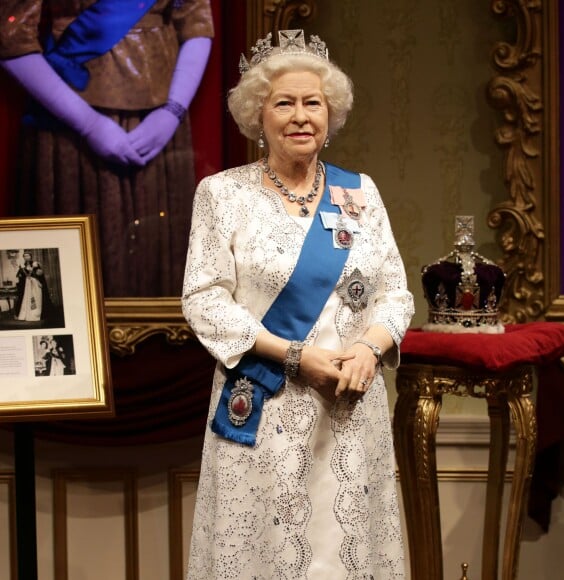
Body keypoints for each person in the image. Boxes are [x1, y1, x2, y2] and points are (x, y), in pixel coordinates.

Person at [181, 29, 415, 579]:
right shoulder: (223, 194)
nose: (300, 115)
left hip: (350, 404)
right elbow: (204, 299)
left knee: (345, 548)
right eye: (283, 103)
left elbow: (394, 292)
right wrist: (292, 355)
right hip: (268, 403)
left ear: (330, 113)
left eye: (313, 102)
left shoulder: (359, 193)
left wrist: (368, 348)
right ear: (256, 116)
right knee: (266, 552)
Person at [0, 1, 214, 297]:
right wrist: (88, 123)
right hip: (68, 124)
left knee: (159, 259)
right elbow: (11, 38)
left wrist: (171, 112)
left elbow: (196, 24)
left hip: (158, 124)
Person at [15, 251, 50, 322]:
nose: (26, 257)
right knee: (27, 298)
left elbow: (40, 274)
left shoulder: (35, 264)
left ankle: (35, 313)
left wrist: (34, 271)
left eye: (27, 256)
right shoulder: (22, 265)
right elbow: (19, 275)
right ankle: (27, 313)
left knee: (35, 297)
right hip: (26, 284)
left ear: (31, 256)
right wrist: (21, 273)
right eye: (25, 256)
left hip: (35, 283)